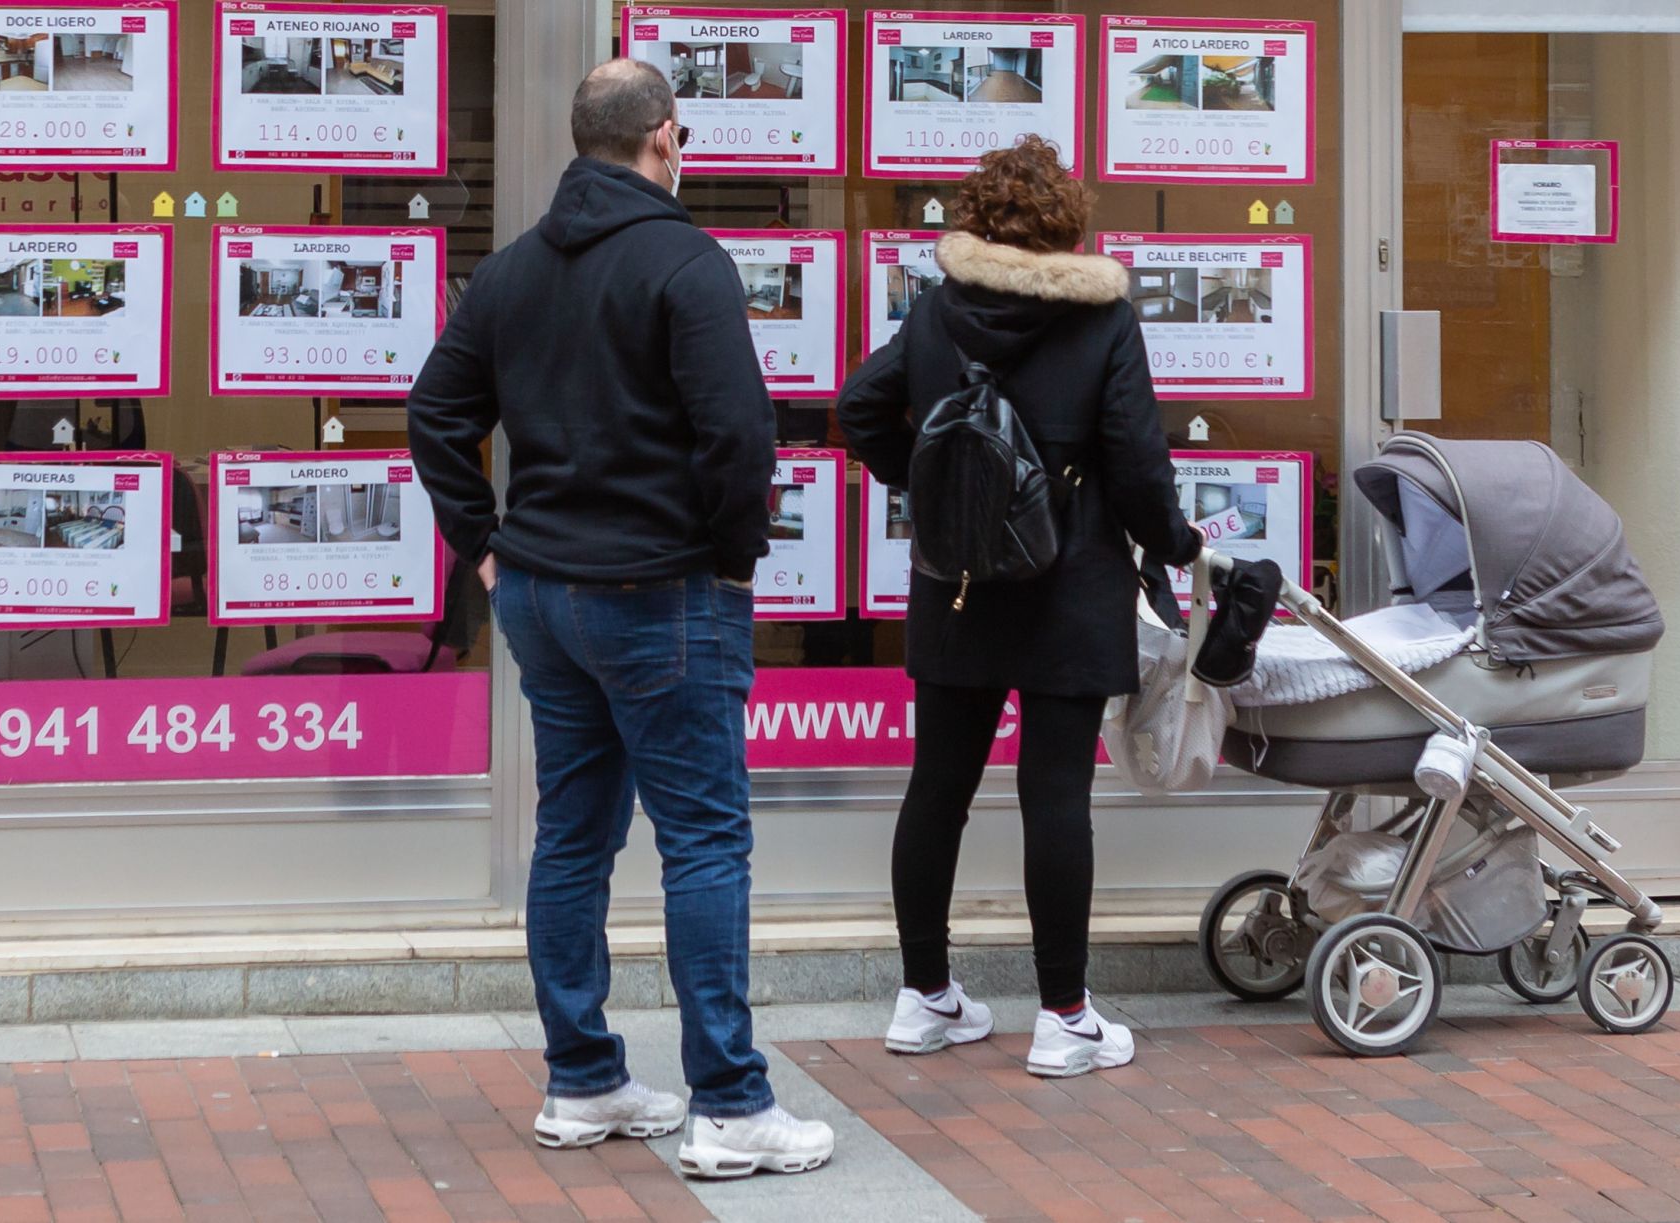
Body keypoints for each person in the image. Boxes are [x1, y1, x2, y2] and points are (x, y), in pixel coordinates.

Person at [405, 58, 833, 1177]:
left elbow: (434, 412)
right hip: (664, 591)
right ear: (665, 137)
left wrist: (483, 544)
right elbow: (741, 438)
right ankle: (732, 1103)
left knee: (574, 836)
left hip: (544, 594)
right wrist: (734, 559)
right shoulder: (686, 261)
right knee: (702, 839)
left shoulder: (509, 274)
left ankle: (583, 1079)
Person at [837, 136, 1203, 1078]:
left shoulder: (935, 314)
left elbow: (859, 407)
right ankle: (1063, 1015)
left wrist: (928, 492)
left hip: (955, 580)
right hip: (1069, 582)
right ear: (1067, 222)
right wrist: (1176, 545)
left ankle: (924, 998)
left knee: (938, 786)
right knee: (1055, 796)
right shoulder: (1103, 322)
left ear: (977, 218)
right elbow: (1135, 459)